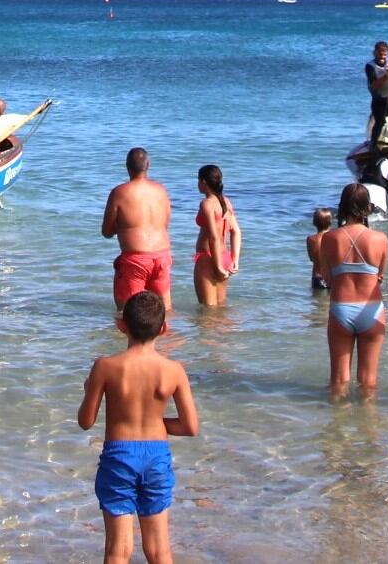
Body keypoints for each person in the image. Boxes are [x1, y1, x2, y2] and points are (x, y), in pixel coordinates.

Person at [78, 291, 198, 564]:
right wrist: (157, 423)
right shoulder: (174, 370)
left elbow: (86, 422)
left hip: (119, 456)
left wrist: (88, 391)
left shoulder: (105, 367)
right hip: (156, 457)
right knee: (159, 550)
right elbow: (190, 426)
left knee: (118, 551)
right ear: (164, 329)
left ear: (122, 326)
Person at [315, 182, 388, 398]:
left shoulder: (329, 238)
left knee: (339, 381)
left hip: (341, 309)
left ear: (343, 206)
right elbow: (380, 276)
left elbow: (327, 278)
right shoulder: (380, 239)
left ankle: (338, 427)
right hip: (372, 309)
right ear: (367, 207)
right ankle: (368, 427)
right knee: (368, 381)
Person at [102, 147, 174, 312]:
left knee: (128, 314)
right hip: (162, 256)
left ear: (126, 166)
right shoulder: (161, 190)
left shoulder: (119, 192)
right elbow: (165, 223)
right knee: (164, 312)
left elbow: (106, 231)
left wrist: (123, 228)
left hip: (135, 261)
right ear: (148, 164)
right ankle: (168, 337)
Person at [190, 165, 241, 307]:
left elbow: (213, 237)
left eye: (198, 180)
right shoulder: (226, 202)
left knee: (208, 311)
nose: (197, 184)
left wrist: (217, 266)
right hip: (225, 256)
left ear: (204, 182)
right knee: (220, 307)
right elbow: (236, 231)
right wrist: (234, 260)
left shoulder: (207, 204)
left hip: (208, 259)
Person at [304, 207, 334, 295]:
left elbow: (311, 259)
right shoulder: (334, 238)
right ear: (330, 222)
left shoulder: (310, 239)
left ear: (314, 223)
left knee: (318, 305)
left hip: (317, 278)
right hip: (331, 277)